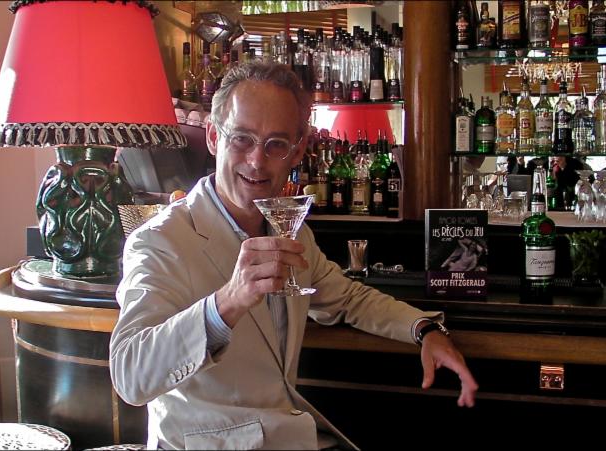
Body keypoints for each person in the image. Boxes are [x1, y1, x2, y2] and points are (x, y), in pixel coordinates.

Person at [109, 62, 478, 450]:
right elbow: (131, 376)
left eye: (276, 144)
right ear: (215, 137)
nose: (257, 161)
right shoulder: (160, 240)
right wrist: (227, 303)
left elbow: (348, 298)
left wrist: (424, 329)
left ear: (297, 150)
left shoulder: (292, 231)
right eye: (242, 139)